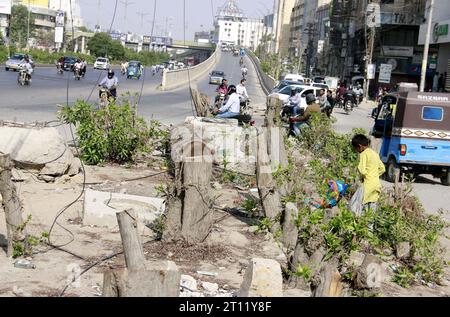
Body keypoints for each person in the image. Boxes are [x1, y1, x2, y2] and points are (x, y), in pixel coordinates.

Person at [352, 134, 386, 212]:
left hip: (367, 185)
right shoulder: (375, 154)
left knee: (357, 207)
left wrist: (363, 177)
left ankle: (359, 223)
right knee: (371, 209)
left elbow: (362, 170)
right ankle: (370, 224)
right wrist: (374, 175)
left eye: (356, 149)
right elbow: (382, 168)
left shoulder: (363, 154)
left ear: (359, 146)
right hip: (376, 185)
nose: (357, 151)